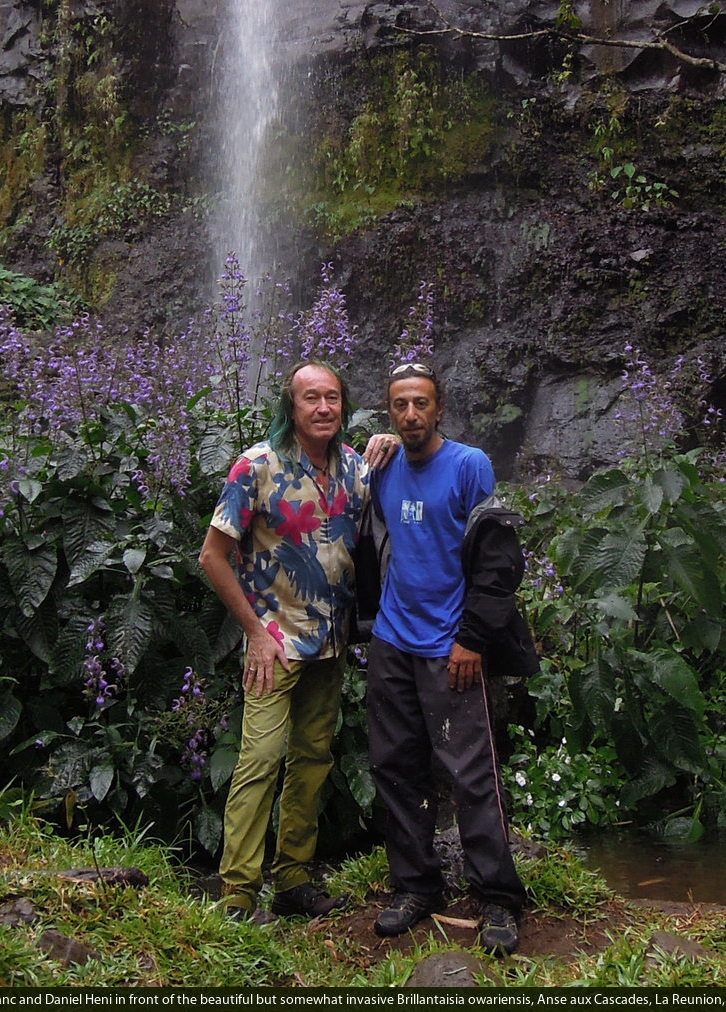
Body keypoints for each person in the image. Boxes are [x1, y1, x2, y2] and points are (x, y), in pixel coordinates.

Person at [355, 359, 540, 957]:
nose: (411, 414)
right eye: (400, 405)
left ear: (439, 409)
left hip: (450, 647)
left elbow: (498, 559)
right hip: (392, 641)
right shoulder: (381, 466)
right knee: (395, 766)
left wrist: (473, 639)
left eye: (421, 403)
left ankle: (498, 898)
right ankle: (416, 887)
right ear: (389, 412)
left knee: (471, 773)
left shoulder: (468, 465)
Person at [197, 360, 374, 922]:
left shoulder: (356, 468)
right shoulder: (256, 466)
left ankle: (294, 878)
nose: (323, 408)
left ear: (343, 405)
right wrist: (254, 632)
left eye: (332, 398)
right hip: (273, 645)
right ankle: (238, 894)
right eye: (310, 398)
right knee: (260, 760)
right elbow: (212, 556)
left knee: (313, 759)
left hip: (331, 644)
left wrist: (390, 442)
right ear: (291, 408)